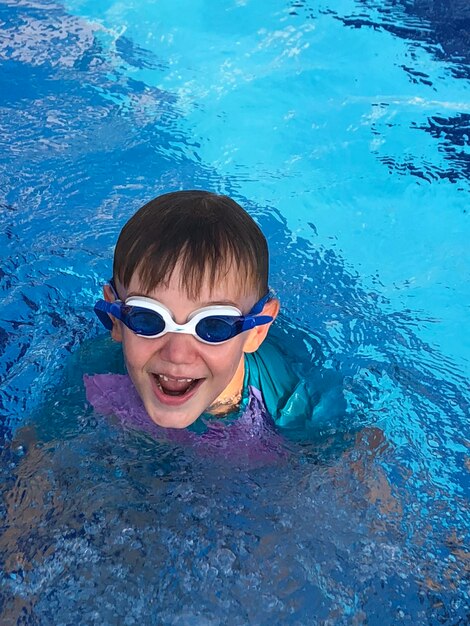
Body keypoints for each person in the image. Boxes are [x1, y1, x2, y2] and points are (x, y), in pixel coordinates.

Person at [91, 190, 343, 434]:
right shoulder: (95, 370)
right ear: (115, 318)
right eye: (147, 319)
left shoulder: (288, 409)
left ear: (257, 330)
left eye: (213, 325)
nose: (177, 354)